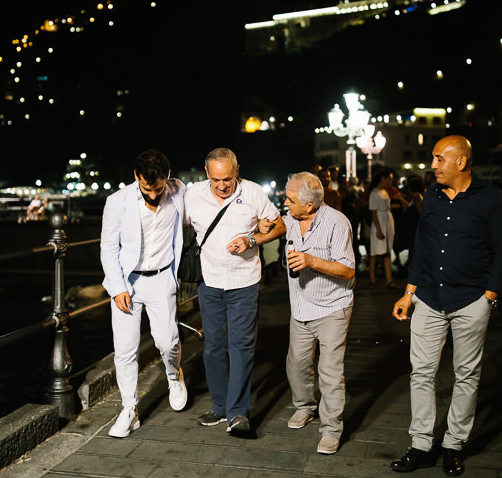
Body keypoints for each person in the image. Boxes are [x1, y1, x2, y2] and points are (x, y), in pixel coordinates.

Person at [391, 135, 502, 477]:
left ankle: (453, 446)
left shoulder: (491, 199)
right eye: (432, 158)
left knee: (466, 375)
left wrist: (489, 297)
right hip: (428, 297)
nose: (433, 165)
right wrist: (408, 293)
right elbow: (422, 245)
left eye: (439, 159)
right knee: (421, 373)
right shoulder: (431, 196)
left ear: (461, 161)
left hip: (471, 300)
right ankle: (421, 445)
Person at [185, 148, 286, 437]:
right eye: (216, 179)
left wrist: (252, 239)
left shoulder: (253, 192)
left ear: (237, 171)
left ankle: (238, 412)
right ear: (207, 174)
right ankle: (220, 406)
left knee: (241, 346)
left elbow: (278, 225)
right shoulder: (193, 195)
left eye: (227, 178)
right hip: (210, 282)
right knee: (214, 346)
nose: (222, 185)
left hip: (244, 281)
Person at [100, 149, 188, 438]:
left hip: (162, 278)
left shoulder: (178, 191)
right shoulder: (118, 202)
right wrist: (117, 288)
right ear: (136, 177)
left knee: (167, 341)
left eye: (159, 187)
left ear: (168, 177)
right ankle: (129, 409)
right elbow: (108, 249)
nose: (153, 193)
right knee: (125, 349)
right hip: (128, 282)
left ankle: (174, 377)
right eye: (147, 187)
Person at [281, 172, 355, 455]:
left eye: (290, 199)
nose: (285, 203)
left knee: (330, 371)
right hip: (300, 306)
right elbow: (270, 228)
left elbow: (348, 269)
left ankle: (331, 429)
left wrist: (312, 260)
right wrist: (253, 238)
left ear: (309, 205)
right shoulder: (290, 219)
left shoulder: (337, 222)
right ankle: (305, 407)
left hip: (332, 307)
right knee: (296, 364)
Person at [367, 169, 396, 288]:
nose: (390, 181)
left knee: (387, 251)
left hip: (388, 220)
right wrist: (378, 230)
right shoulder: (374, 193)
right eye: (389, 179)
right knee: (375, 251)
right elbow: (373, 212)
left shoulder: (384, 191)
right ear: (382, 178)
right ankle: (372, 279)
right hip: (379, 221)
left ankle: (389, 280)